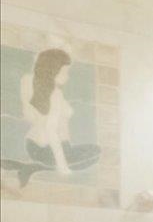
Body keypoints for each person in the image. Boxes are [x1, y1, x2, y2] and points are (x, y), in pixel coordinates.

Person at [2, 48, 101, 187]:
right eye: (65, 71)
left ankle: (30, 167)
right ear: (53, 70)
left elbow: (29, 111)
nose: (67, 76)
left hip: (37, 145)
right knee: (95, 154)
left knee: (94, 153)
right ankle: (33, 167)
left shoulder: (33, 82)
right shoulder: (54, 95)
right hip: (47, 148)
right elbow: (51, 131)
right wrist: (62, 166)